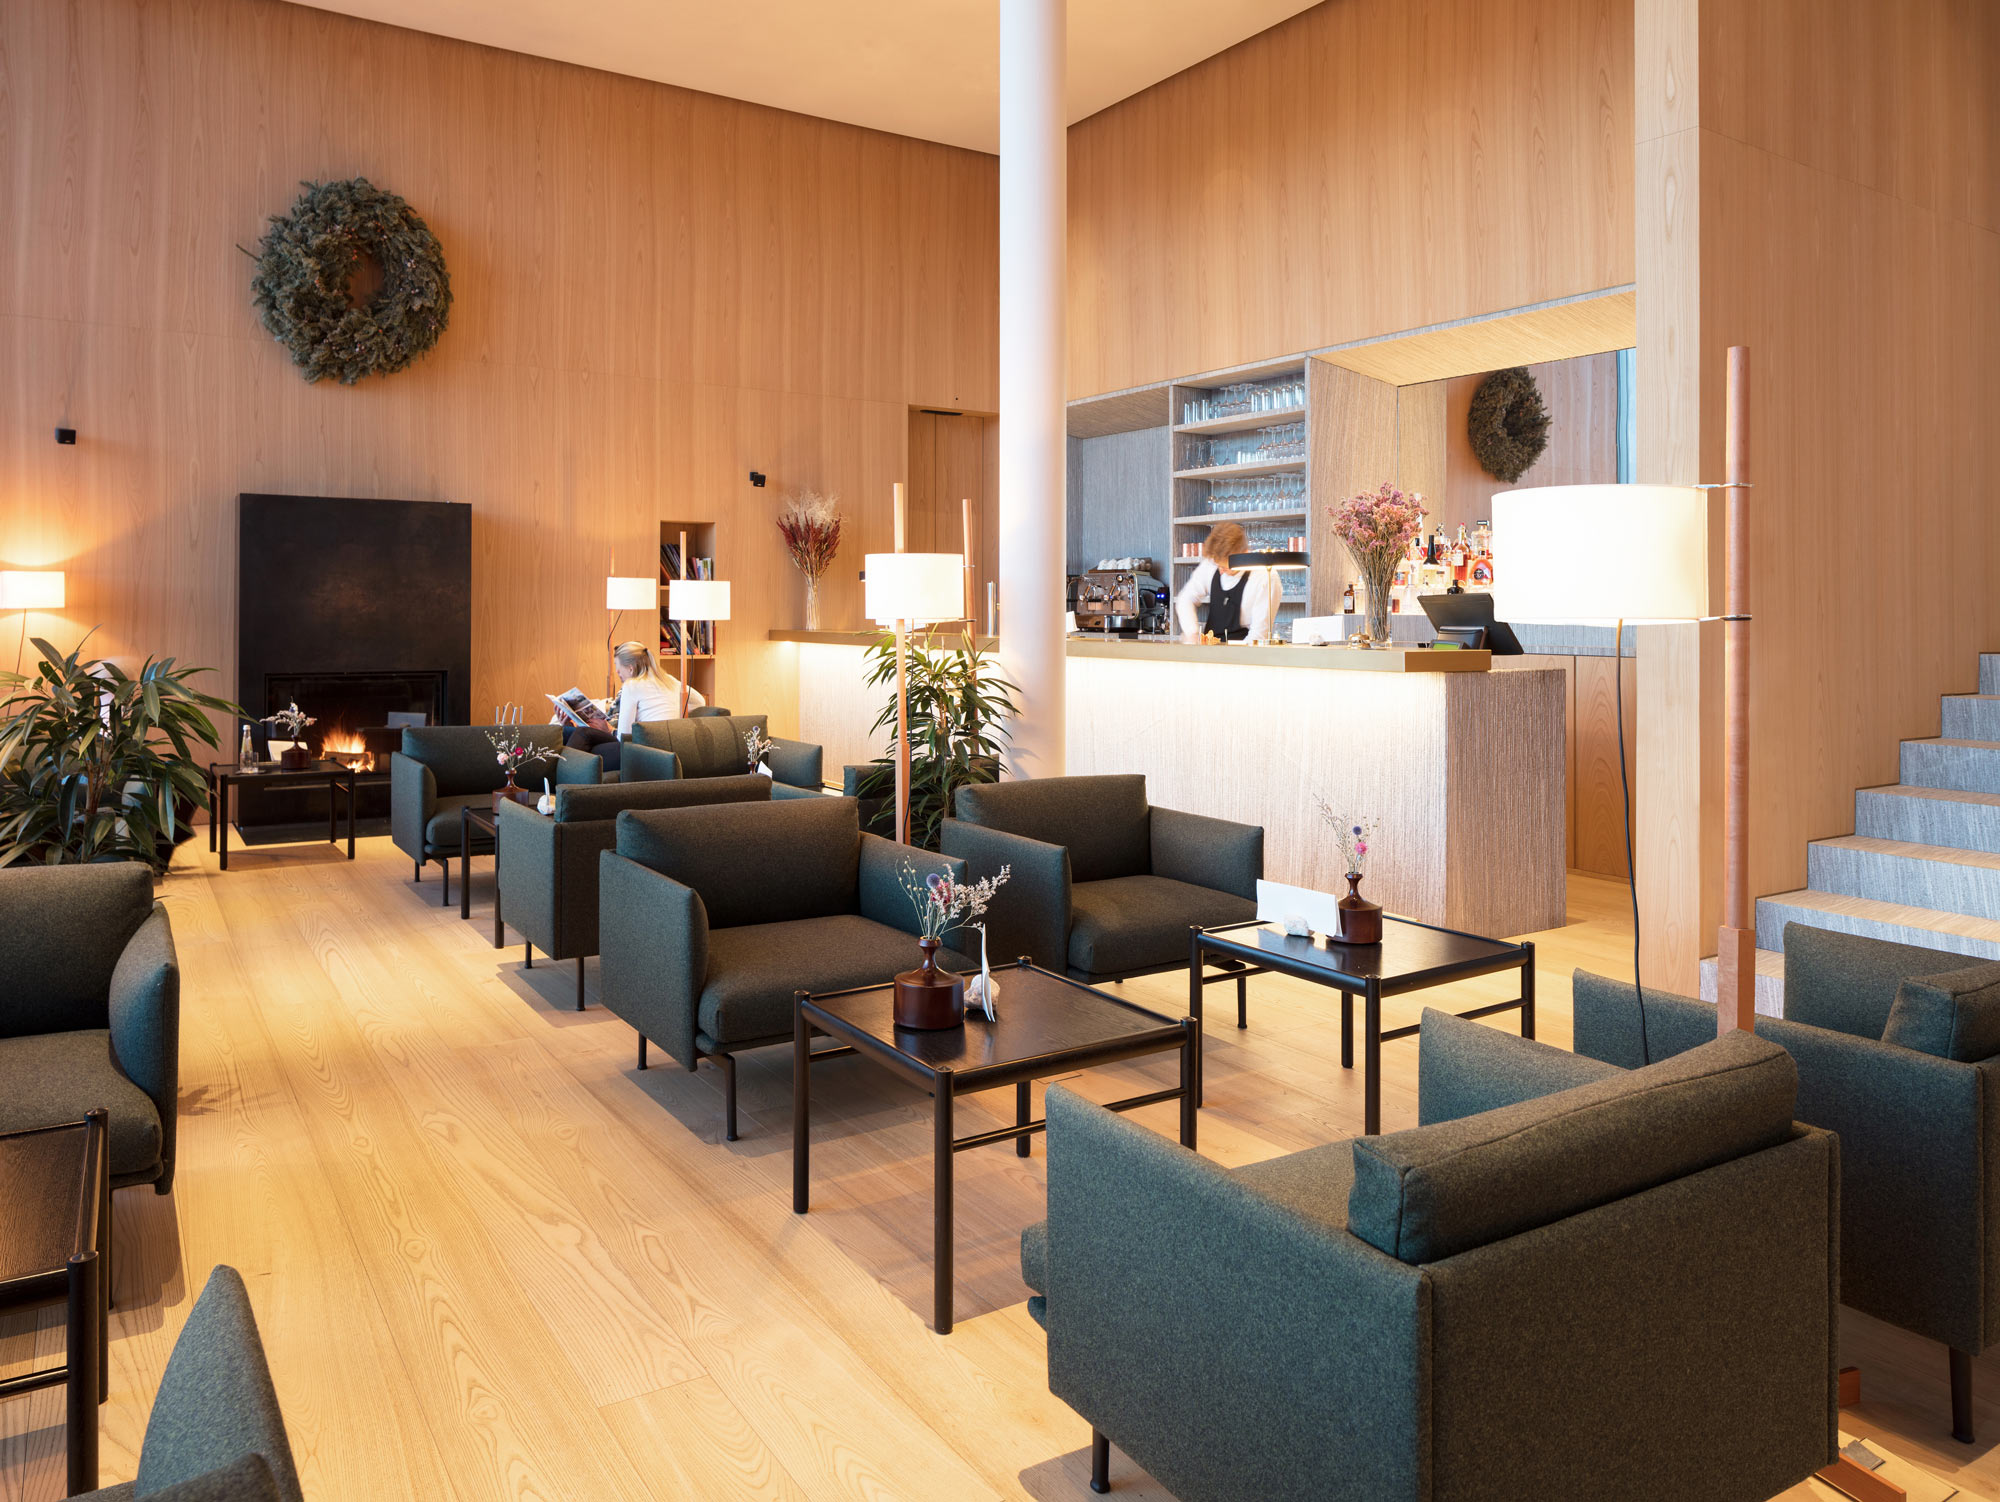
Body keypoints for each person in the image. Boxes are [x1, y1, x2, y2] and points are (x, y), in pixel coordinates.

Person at [565, 641, 705, 772]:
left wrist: (608, 730)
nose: (618, 674)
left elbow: (624, 736)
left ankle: (557, 782)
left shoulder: (632, 685)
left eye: (618, 669)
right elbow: (700, 702)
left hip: (644, 752)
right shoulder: (670, 681)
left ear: (630, 668)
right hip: (666, 749)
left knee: (582, 734)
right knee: (573, 735)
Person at [1174, 522, 1282, 643]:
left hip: (1245, 649)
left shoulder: (1265, 576)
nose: (1221, 572)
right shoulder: (1210, 565)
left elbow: (1259, 634)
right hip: (1209, 649)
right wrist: (1192, 632)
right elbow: (1185, 599)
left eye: (1226, 568)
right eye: (1218, 566)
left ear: (1245, 553)